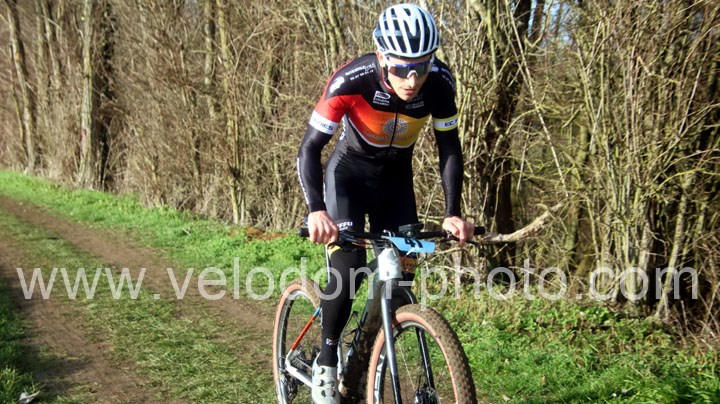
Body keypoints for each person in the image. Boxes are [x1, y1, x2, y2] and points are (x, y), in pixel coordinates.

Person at [296, 3, 475, 402]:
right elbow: (309, 149)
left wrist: (453, 214)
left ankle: (365, 362)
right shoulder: (351, 80)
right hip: (347, 179)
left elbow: (449, 147)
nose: (412, 79)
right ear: (381, 56)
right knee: (349, 270)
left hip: (395, 184)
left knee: (401, 281)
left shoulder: (440, 83)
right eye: (401, 68)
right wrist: (316, 210)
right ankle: (326, 361)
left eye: (422, 67)